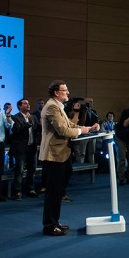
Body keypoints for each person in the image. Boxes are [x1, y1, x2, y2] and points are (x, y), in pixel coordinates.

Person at [39, 80, 99, 236]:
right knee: (53, 192)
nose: (68, 93)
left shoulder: (58, 106)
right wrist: (83, 131)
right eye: (65, 90)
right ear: (56, 93)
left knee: (58, 191)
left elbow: (71, 126)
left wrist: (88, 129)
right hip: (54, 155)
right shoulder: (52, 106)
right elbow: (63, 130)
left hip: (62, 154)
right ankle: (49, 225)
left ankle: (54, 222)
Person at [10, 98, 40, 200]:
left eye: (28, 103)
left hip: (32, 147)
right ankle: (17, 191)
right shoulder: (15, 117)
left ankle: (30, 189)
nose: (28, 105)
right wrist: (28, 123)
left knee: (32, 169)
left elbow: (38, 130)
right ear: (19, 106)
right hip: (21, 148)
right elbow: (17, 130)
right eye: (25, 103)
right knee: (20, 170)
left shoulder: (33, 117)